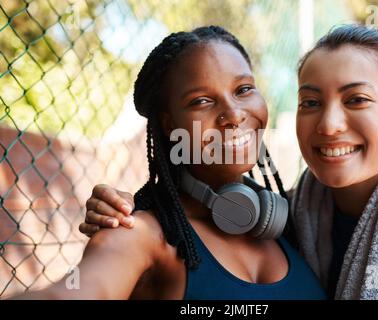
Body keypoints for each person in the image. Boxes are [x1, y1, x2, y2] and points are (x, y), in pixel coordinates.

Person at [82, 24, 378, 300]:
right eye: (310, 102)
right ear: (168, 124)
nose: (329, 125)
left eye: (356, 100)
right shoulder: (297, 219)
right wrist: (122, 213)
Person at [14, 26, 326, 300]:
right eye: (201, 101)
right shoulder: (139, 233)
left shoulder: (292, 218)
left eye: (243, 89)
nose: (234, 114)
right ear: (168, 125)